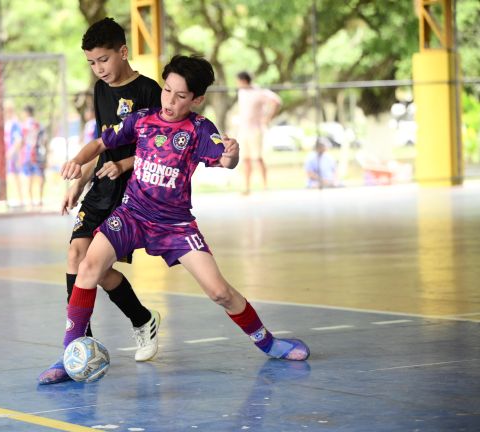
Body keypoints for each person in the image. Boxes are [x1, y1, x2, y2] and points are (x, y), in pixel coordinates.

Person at [44, 55, 310, 385]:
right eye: (167, 90)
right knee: (87, 266)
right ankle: (70, 353)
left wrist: (232, 153)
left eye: (180, 96)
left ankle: (270, 344)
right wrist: (76, 162)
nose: (169, 101)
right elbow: (101, 142)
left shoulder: (200, 129)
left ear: (197, 99)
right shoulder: (141, 120)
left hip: (175, 226)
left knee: (219, 292)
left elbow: (226, 160)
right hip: (132, 215)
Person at [37, 17, 163, 385]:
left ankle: (137, 320)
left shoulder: (150, 91)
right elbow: (102, 141)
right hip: (101, 187)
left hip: (134, 191)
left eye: (104, 60)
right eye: (92, 62)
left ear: (123, 52)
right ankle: (78, 347)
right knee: (78, 256)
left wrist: (123, 164)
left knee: (91, 263)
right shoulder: (100, 90)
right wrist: (81, 182)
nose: (99, 68)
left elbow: (160, 150)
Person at [235, 71, 281, 194]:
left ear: (243, 81)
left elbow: (276, 101)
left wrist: (268, 117)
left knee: (258, 158)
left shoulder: (259, 92)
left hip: (255, 130)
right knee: (245, 159)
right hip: (243, 130)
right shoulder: (241, 92)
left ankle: (265, 186)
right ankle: (246, 187)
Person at [19, 105, 45, 207]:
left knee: (28, 177)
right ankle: (40, 199)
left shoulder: (23, 125)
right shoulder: (39, 124)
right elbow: (44, 140)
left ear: (25, 113)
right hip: (37, 154)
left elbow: (20, 141)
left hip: (26, 155)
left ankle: (30, 201)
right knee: (40, 176)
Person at [3, 102, 24, 207]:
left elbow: (18, 140)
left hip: (13, 154)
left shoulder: (15, 123)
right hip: (7, 153)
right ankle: (12, 199)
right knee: (9, 177)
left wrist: (12, 152)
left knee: (16, 176)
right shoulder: (5, 123)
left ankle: (20, 199)